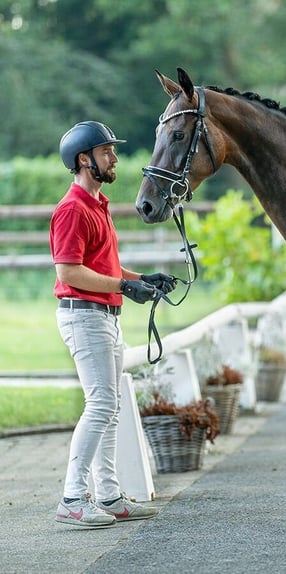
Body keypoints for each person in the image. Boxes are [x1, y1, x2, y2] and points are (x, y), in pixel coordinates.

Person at [50, 121, 177, 527]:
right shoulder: (72, 209)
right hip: (84, 316)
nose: (115, 158)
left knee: (112, 407)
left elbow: (102, 266)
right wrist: (123, 285)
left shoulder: (97, 205)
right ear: (83, 160)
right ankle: (72, 498)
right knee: (102, 405)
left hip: (104, 316)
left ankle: (108, 495)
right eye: (106, 152)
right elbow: (69, 273)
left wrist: (141, 280)